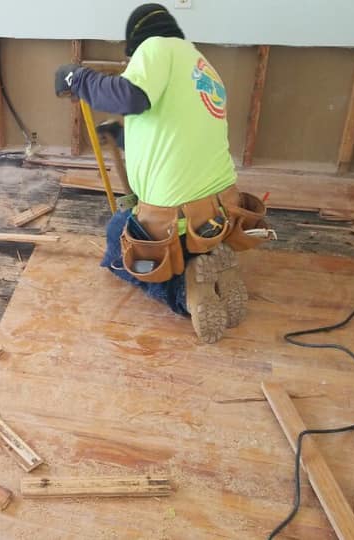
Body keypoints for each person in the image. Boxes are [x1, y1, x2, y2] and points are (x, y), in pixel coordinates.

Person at [54, 3, 249, 343]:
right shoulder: (202, 66)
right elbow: (177, 131)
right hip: (218, 210)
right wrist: (124, 137)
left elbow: (131, 96)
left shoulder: (156, 47)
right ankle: (211, 259)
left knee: (118, 243)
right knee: (176, 238)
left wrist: (79, 78)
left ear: (137, 42)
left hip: (174, 215)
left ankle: (184, 293)